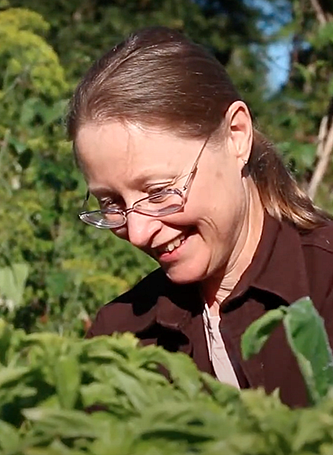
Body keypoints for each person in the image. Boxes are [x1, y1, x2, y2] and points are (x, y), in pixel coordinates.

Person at [67, 26, 333, 408]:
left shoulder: (324, 285)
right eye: (111, 202)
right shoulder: (122, 337)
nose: (138, 232)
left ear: (236, 135)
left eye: (159, 191)